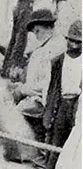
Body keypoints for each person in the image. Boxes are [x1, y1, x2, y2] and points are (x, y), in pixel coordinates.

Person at [13, 9, 66, 143]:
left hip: (46, 100)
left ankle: (35, 149)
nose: (36, 35)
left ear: (49, 27)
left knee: (14, 112)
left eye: (38, 31)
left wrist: (23, 89)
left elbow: (46, 84)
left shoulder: (54, 49)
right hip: (40, 95)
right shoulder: (49, 45)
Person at [39, 19, 82, 169]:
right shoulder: (57, 61)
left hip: (77, 103)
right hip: (61, 102)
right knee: (56, 136)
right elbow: (49, 86)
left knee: (73, 140)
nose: (74, 45)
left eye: (79, 42)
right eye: (72, 41)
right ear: (66, 40)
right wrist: (47, 105)